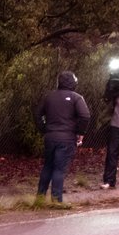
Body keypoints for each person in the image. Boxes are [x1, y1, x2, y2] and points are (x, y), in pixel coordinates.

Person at [34, 71, 91, 202]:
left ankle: (40, 198)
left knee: (47, 166)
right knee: (59, 169)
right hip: (67, 139)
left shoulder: (49, 97)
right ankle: (56, 200)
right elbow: (85, 116)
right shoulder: (76, 98)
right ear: (73, 82)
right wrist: (80, 133)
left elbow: (37, 115)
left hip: (50, 137)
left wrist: (44, 129)